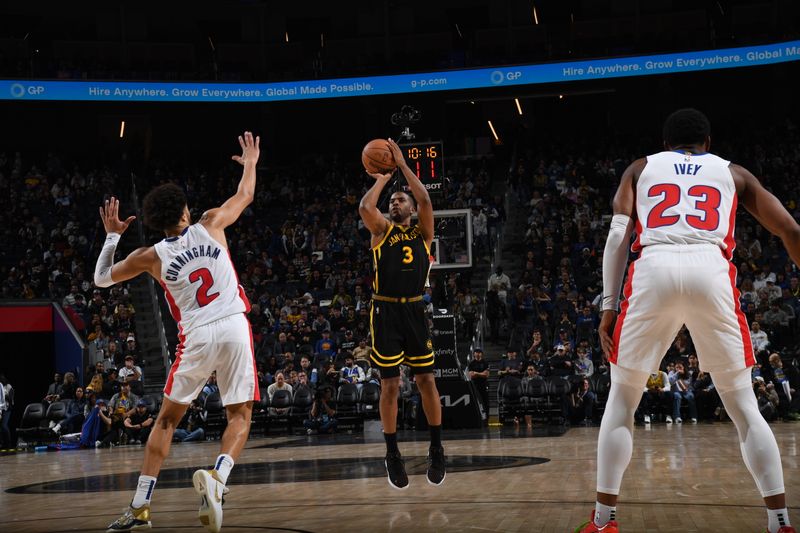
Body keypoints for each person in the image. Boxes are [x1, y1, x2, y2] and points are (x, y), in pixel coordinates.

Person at [577, 109, 797, 533]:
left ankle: (603, 522)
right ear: (708, 143)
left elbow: (617, 235)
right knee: (744, 406)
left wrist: (608, 307)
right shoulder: (733, 173)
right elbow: (789, 229)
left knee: (622, 400)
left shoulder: (641, 167)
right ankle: (780, 520)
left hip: (653, 268)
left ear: (664, 144)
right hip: (710, 268)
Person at [98, 131, 261, 532]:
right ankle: (219, 479)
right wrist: (252, 163)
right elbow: (244, 196)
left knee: (167, 422)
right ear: (186, 213)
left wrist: (113, 235)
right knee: (240, 415)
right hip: (235, 327)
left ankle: (140, 506)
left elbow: (102, 278)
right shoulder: (211, 223)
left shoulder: (150, 256)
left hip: (197, 337)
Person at [358, 138, 445, 489]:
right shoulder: (382, 231)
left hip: (414, 311)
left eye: (399, 198)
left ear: (409, 207)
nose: (395, 202)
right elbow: (366, 207)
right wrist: (382, 175)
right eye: (393, 200)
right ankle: (392, 452)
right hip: (384, 312)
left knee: (426, 380)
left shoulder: (424, 233)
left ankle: (437, 448)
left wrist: (404, 165)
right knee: (390, 384)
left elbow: (425, 198)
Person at [467, 348, 490, 415]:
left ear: (481, 354)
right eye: (476, 352)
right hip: (475, 385)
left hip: (484, 384)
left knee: (486, 401)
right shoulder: (471, 363)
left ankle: (487, 417)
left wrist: (476, 373)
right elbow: (471, 375)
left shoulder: (485, 363)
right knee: (475, 401)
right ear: (474, 354)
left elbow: (486, 375)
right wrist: (481, 373)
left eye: (479, 352)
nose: (478, 354)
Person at [0, 374, 13, 449]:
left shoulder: (8, 386)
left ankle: (8, 443)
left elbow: (11, 399)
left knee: (4, 426)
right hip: (1, 409)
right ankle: (2, 443)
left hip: (7, 408)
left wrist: (4, 395)